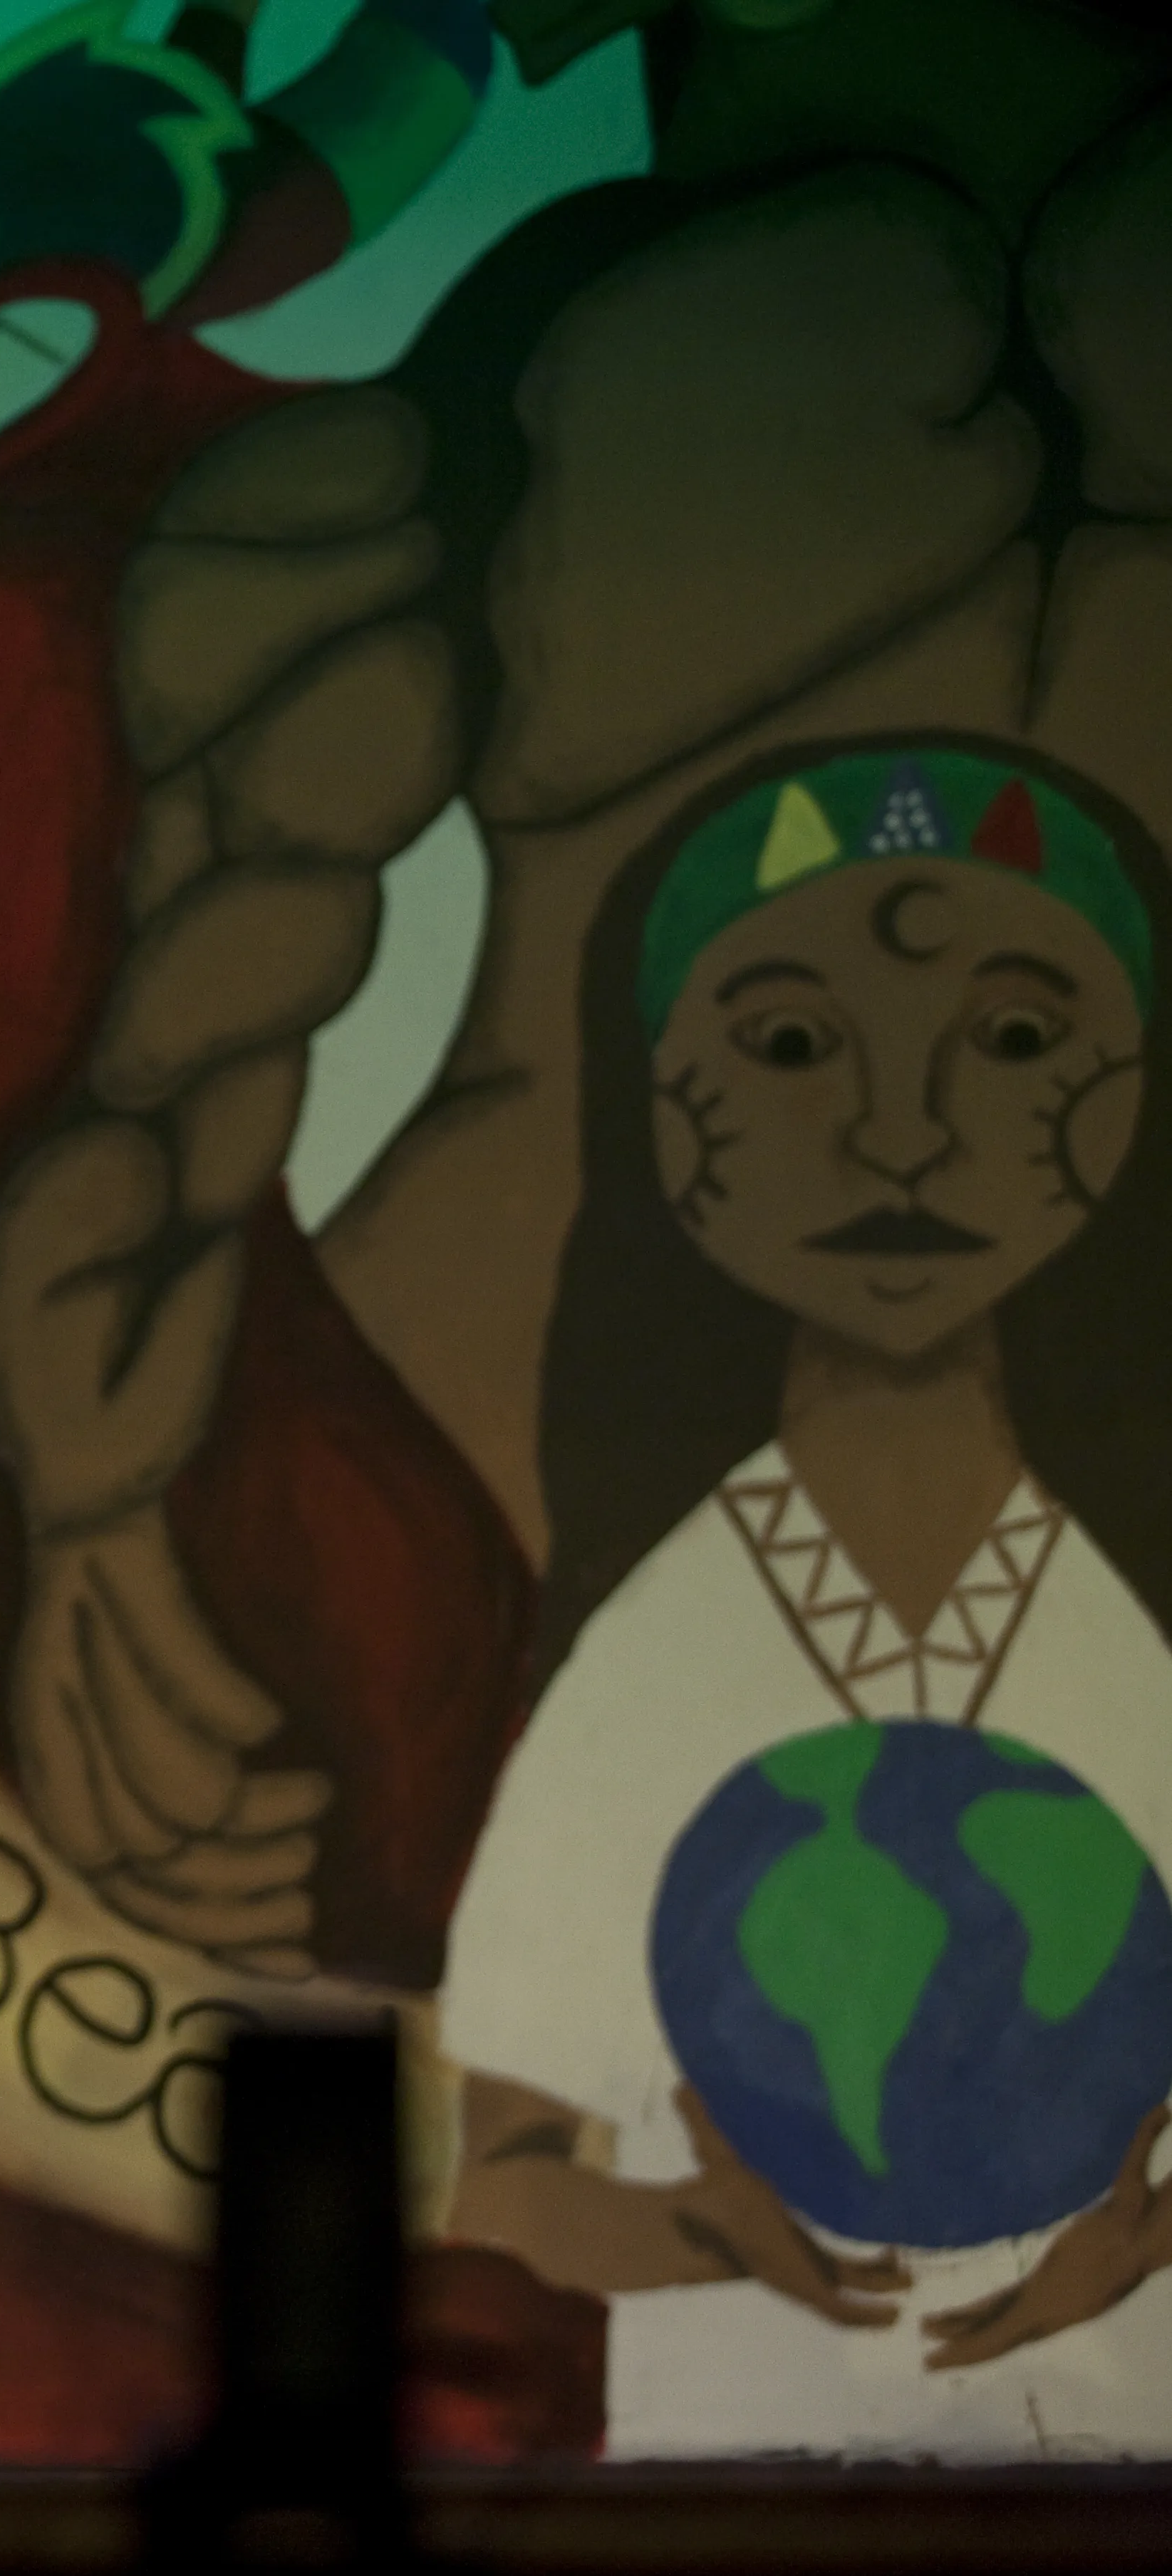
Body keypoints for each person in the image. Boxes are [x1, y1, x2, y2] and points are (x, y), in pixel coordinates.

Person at [439, 741, 1172, 2456]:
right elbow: (506, 2180)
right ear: (659, 1101)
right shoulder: (648, 1662)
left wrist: (1140, 2242)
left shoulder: (1127, 1617)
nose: (900, 1131)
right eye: (785, 1045)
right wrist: (697, 2230)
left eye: (1011, 1040)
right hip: (741, 2500)